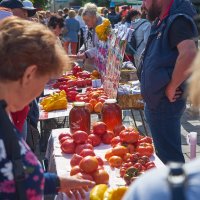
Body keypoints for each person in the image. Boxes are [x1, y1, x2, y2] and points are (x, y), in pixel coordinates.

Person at [0, 16, 94, 199]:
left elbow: (15, 175)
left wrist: (57, 183)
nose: (39, 93)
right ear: (29, 74)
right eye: (43, 82)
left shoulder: (6, 110)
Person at [123, 51, 200, 200]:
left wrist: (171, 86)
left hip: (162, 103)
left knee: (169, 151)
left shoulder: (151, 190)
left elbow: (187, 52)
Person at [138, 0, 198, 164]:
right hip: (158, 102)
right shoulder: (163, 20)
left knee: (170, 160)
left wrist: (172, 86)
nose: (143, 5)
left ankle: (176, 189)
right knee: (164, 154)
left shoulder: (177, 20)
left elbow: (190, 53)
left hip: (164, 103)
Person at [71, 3, 105, 72]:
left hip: (101, 65)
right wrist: (81, 50)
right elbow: (87, 41)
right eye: (84, 20)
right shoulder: (90, 26)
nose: (85, 23)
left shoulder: (104, 26)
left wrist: (86, 54)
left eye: (87, 20)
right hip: (90, 63)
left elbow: (103, 47)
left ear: (94, 17)